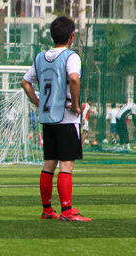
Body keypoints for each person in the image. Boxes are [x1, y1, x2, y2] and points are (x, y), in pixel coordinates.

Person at [20, 15, 90, 221]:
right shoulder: (71, 56)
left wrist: (39, 103)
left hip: (48, 118)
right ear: (71, 36)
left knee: (49, 164)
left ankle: (47, 210)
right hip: (66, 118)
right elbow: (74, 78)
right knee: (66, 166)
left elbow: (25, 83)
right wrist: (75, 104)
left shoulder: (40, 57)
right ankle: (67, 211)